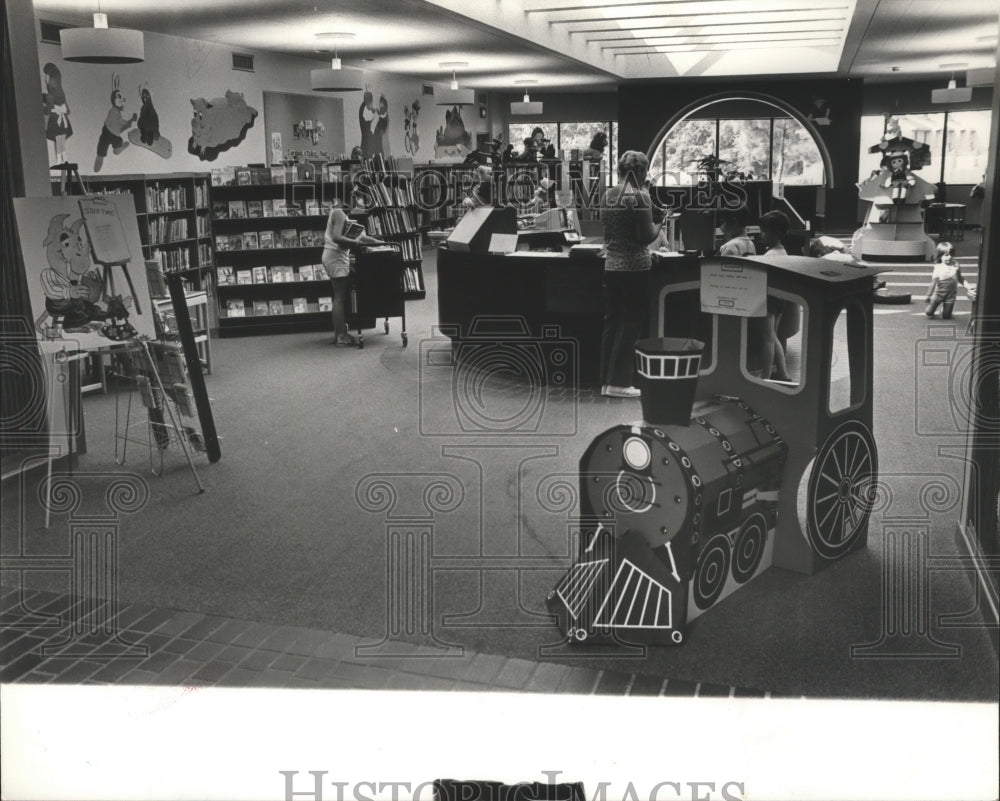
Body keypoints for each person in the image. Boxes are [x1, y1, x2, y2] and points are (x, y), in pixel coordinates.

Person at [599, 150, 664, 398]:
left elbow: (608, 235)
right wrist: (661, 221)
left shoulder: (607, 195)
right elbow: (645, 237)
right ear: (639, 172)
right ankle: (620, 382)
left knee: (612, 322)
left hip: (611, 267)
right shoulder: (640, 197)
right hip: (635, 268)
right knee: (631, 323)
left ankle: (605, 380)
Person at [322, 203, 383, 346]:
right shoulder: (339, 213)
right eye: (353, 197)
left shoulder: (343, 215)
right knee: (340, 298)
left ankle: (339, 334)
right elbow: (337, 237)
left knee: (339, 298)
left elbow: (362, 236)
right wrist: (355, 243)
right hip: (336, 257)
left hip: (335, 256)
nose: (356, 202)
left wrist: (378, 242)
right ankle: (341, 337)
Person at [756, 210, 791, 382]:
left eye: (764, 230)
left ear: (775, 232)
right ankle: (783, 373)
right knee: (774, 336)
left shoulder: (769, 255)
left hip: (768, 299)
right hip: (779, 299)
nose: (761, 234)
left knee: (767, 339)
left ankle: (766, 375)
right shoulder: (783, 251)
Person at [924, 241, 967, 319]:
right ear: (940, 256)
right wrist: (928, 295)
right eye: (946, 255)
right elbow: (933, 283)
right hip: (938, 294)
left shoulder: (956, 265)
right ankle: (931, 307)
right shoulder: (938, 267)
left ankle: (944, 309)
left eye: (951, 255)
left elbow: (960, 278)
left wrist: (968, 286)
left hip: (950, 295)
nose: (949, 257)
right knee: (929, 313)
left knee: (946, 316)